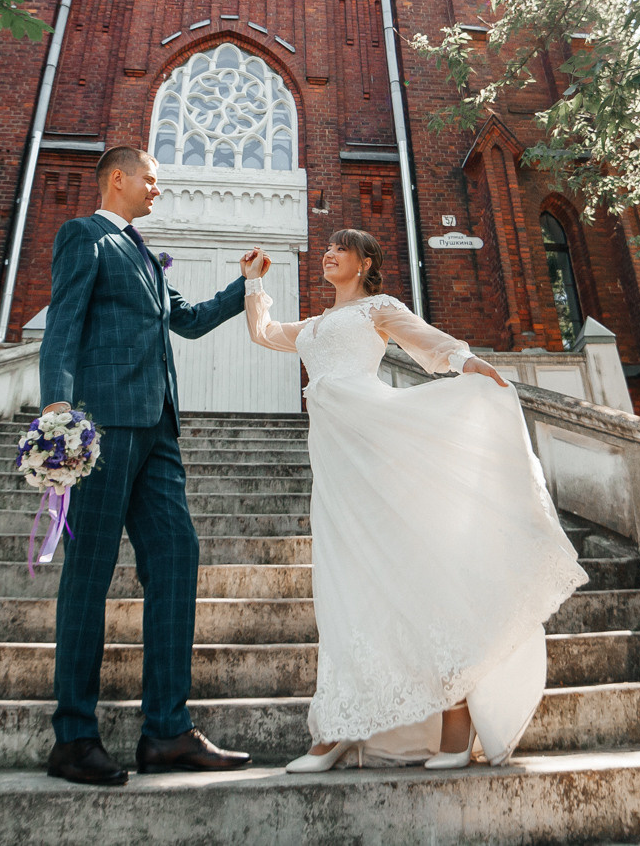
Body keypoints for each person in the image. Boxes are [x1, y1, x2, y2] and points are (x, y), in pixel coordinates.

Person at [239, 229, 587, 771]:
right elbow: (263, 333)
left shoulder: (378, 308)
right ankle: (337, 726)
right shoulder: (312, 326)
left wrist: (471, 366)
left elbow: (431, 345)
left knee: (414, 570)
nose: (327, 253)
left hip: (379, 444)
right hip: (334, 467)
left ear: (365, 261)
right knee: (344, 582)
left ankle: (455, 715)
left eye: (340, 247)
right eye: (326, 248)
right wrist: (253, 282)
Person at [37, 145, 257, 785]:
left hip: (159, 430)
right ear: (117, 179)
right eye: (150, 180)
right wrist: (58, 413)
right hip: (103, 426)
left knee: (177, 555)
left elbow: (186, 322)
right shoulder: (86, 238)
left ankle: (166, 730)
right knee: (90, 572)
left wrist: (245, 285)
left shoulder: (146, 256)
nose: (157, 190)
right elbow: (63, 327)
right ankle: (74, 737)